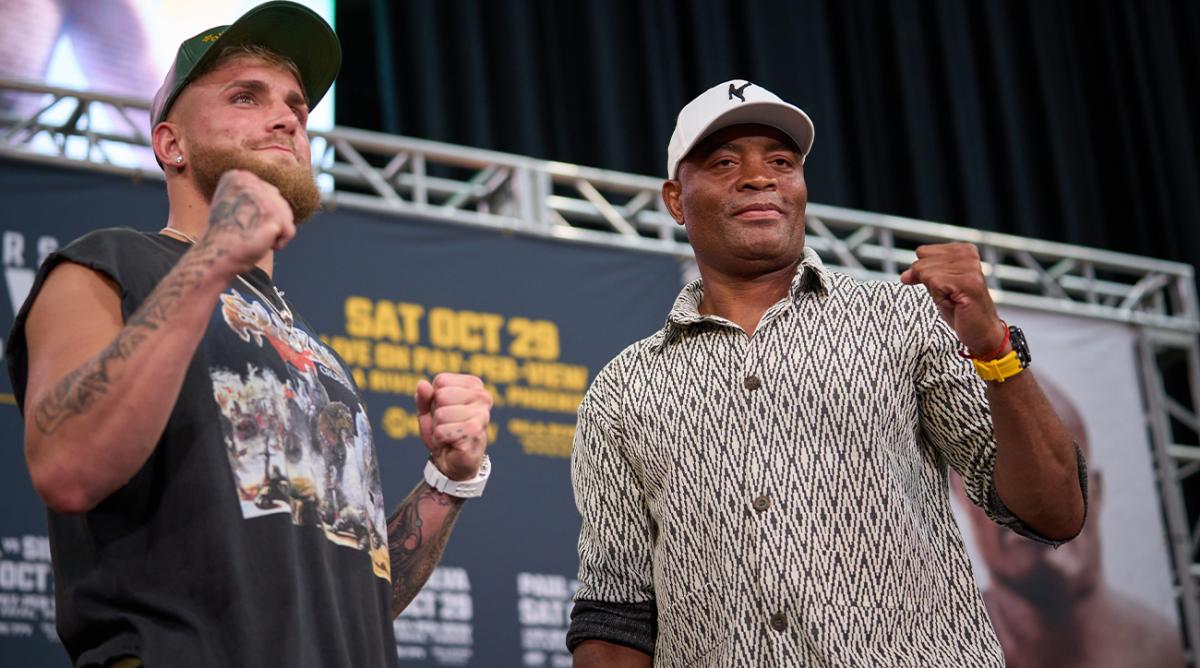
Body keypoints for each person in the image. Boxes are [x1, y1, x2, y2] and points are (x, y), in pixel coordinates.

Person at [5, 3, 493, 667]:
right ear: (171, 145)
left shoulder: (318, 356)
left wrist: (448, 482)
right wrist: (212, 256)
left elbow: (356, 598)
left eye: (296, 106)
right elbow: (65, 466)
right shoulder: (106, 266)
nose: (287, 117)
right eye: (245, 96)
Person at [566, 79, 1087, 667]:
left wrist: (993, 345)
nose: (759, 177)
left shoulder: (903, 318)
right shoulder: (623, 388)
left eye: (781, 162)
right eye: (724, 162)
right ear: (675, 200)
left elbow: (1054, 512)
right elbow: (616, 611)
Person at [953, 380, 1186, 668]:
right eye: (996, 479)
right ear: (961, 496)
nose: (1028, 500)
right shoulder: (941, 643)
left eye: (1052, 473)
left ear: (1096, 490)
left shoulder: (1160, 648)